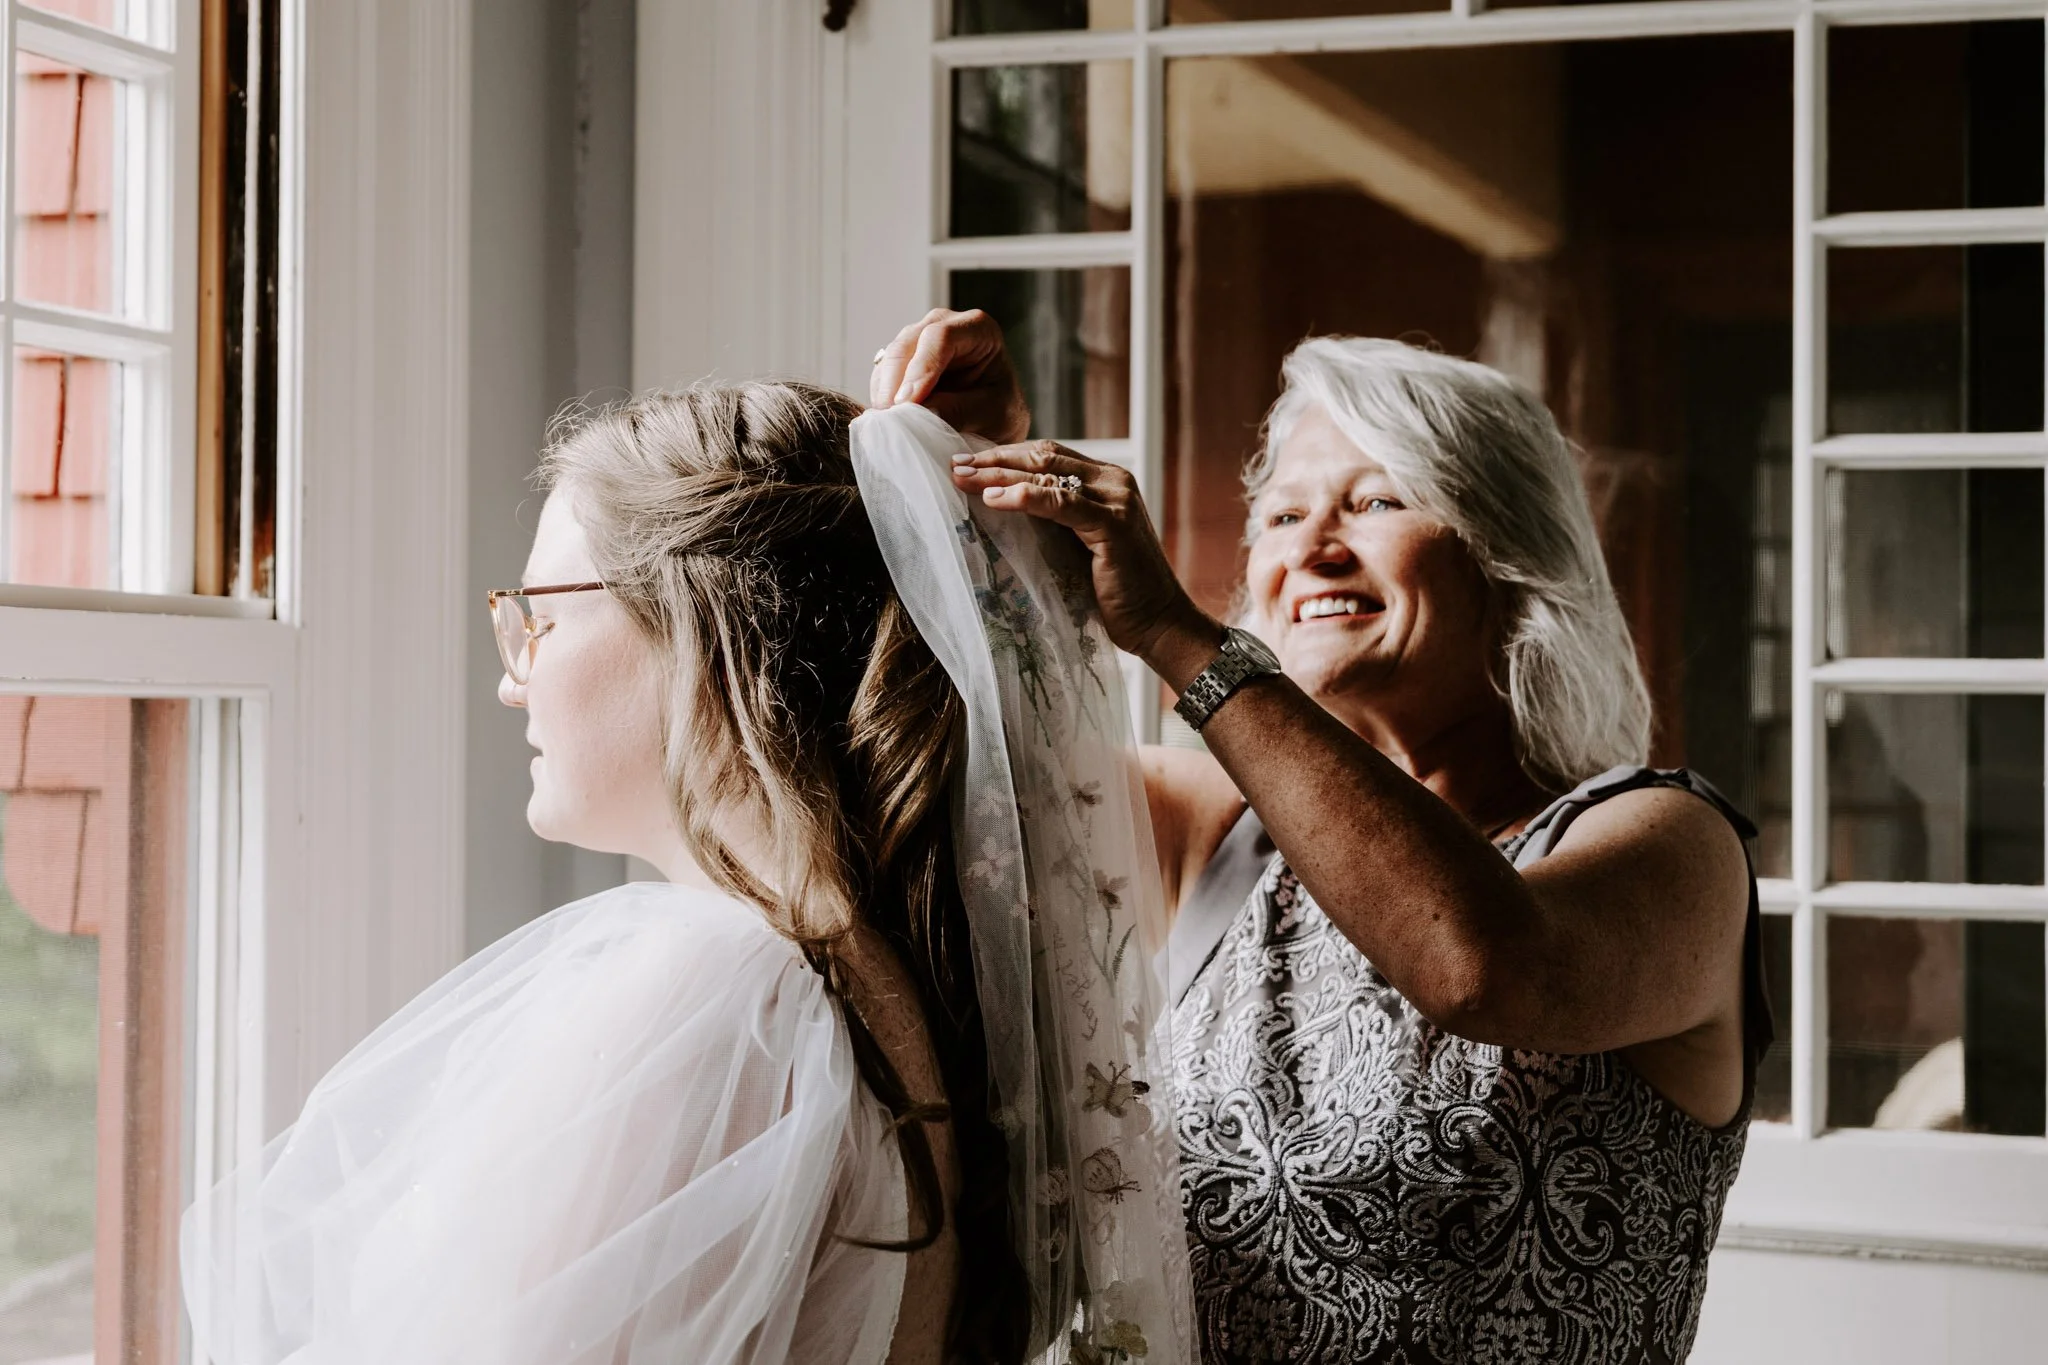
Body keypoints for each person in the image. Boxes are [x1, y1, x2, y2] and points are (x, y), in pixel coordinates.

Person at [180, 382, 1195, 1365]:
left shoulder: (718, 995)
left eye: (538, 614)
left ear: (706, 626)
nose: (510, 674)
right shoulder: (875, 974)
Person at [873, 311, 1771, 1365]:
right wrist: (958, 484)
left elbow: (1477, 969)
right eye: (1284, 513)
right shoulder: (1216, 830)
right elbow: (938, 761)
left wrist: (1177, 637)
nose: (1310, 546)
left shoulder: (1667, 838)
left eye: (1376, 500)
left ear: (1506, 549)